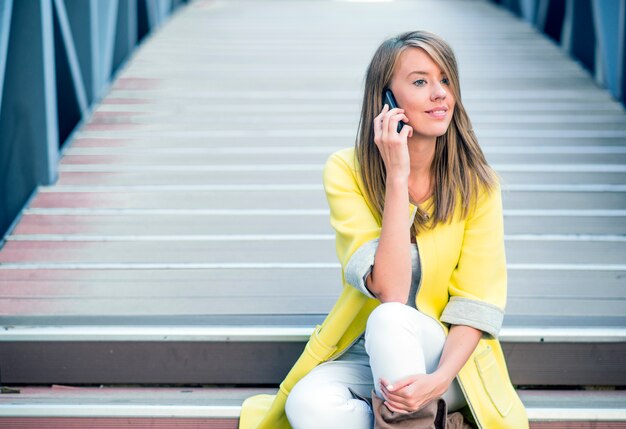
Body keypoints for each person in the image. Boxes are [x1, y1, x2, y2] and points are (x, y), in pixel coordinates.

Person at [238, 30, 528, 429]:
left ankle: (424, 416)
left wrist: (436, 381)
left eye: (446, 80)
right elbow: (388, 288)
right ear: (386, 99)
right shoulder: (346, 171)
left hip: (447, 364)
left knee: (390, 320)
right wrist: (397, 176)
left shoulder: (478, 185)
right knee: (307, 404)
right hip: (368, 357)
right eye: (421, 81)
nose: (440, 93)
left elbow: (474, 307)